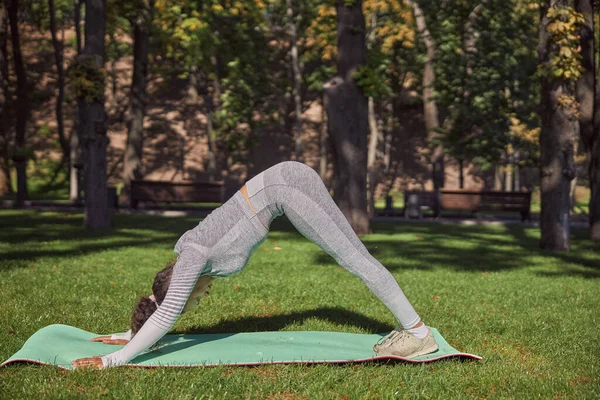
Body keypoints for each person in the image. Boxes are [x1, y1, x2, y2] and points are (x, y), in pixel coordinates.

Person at [72, 161, 438, 369]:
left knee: (353, 257)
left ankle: (419, 334)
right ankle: (416, 329)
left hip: (284, 186)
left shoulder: (193, 257)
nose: (202, 299)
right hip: (279, 184)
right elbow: (163, 308)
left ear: (182, 288)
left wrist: (113, 360)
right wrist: (132, 333)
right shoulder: (185, 255)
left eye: (193, 301)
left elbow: (167, 314)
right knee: (353, 257)